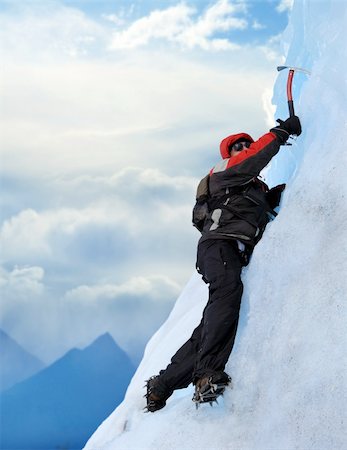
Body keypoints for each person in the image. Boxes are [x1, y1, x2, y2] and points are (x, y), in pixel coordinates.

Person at [145, 115, 302, 412]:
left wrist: (272, 198)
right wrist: (280, 133)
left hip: (224, 249)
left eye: (246, 144)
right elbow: (251, 161)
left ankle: (162, 385)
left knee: (211, 323)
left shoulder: (247, 188)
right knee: (228, 292)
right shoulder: (222, 173)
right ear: (228, 155)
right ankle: (206, 376)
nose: (243, 148)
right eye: (237, 146)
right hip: (219, 246)